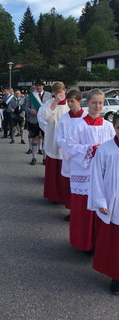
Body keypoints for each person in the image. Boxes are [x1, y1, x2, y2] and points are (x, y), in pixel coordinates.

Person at [65, 89, 115, 252]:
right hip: (83, 174)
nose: (98, 106)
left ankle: (100, 245)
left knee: (101, 209)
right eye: (94, 102)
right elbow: (69, 148)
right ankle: (84, 243)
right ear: (87, 103)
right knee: (84, 211)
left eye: (100, 102)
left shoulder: (109, 127)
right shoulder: (78, 125)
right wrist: (91, 149)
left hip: (103, 175)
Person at [87, 114, 119, 295]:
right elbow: (97, 178)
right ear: (114, 128)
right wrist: (99, 201)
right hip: (113, 203)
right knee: (115, 244)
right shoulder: (105, 150)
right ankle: (117, 276)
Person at [55, 90, 87, 219]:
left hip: (83, 158)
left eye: (72, 101)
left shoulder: (86, 117)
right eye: (68, 101)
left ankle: (83, 211)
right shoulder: (64, 118)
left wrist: (79, 150)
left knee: (83, 185)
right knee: (70, 185)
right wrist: (69, 148)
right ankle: (72, 210)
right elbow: (59, 138)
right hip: (68, 157)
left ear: (79, 101)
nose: (69, 104)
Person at [37, 82, 69, 203]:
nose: (60, 95)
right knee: (54, 171)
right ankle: (53, 196)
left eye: (61, 93)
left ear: (65, 91)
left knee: (65, 171)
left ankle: (65, 197)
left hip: (67, 142)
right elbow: (44, 118)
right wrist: (55, 103)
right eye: (56, 93)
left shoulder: (70, 104)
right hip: (53, 141)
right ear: (53, 93)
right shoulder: (48, 103)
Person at [23, 80, 52, 165]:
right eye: (37, 86)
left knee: (45, 139)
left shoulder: (49, 95)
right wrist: (29, 110)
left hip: (45, 120)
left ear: (43, 86)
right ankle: (34, 157)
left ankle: (44, 158)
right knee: (34, 138)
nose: (39, 87)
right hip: (34, 119)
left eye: (40, 86)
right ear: (35, 86)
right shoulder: (31, 96)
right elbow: (25, 107)